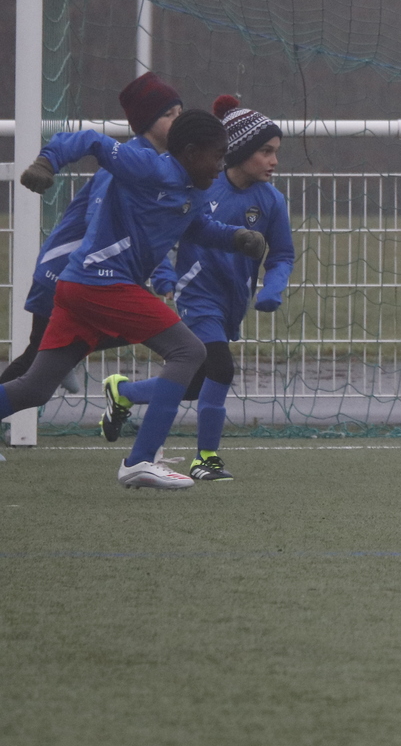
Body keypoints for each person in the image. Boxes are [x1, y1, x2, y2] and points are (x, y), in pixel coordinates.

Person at [3, 111, 269, 490]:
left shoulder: (194, 190)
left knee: (35, 387)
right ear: (191, 152)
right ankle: (140, 461)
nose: (221, 165)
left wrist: (236, 237)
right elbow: (90, 139)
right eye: (217, 155)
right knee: (189, 351)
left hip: (81, 287)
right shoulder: (148, 166)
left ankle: (139, 449)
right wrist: (48, 162)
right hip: (100, 281)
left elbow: (196, 226)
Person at [106, 96, 295, 482]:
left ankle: (125, 392)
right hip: (196, 295)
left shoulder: (272, 201)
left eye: (276, 151)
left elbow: (282, 255)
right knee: (221, 368)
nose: (274, 160)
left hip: (233, 302)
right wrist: (165, 277)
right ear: (239, 151)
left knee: (193, 382)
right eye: (266, 151)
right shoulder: (202, 187)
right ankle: (206, 458)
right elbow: (160, 233)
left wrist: (272, 289)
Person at [0, 72, 182, 385]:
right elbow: (101, 220)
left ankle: (67, 357)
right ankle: (66, 358)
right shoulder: (126, 164)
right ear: (146, 122)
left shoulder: (155, 164)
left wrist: (162, 273)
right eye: (169, 115)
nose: (178, 121)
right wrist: (48, 161)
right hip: (65, 272)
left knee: (40, 364)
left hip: (92, 276)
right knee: (34, 363)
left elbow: (146, 233)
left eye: (181, 112)